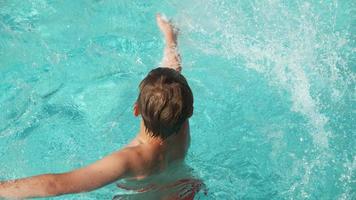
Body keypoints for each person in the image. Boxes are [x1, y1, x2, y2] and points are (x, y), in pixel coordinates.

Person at [0, 14, 204, 199]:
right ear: (190, 112)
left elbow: (57, 184)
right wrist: (171, 38)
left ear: (136, 110)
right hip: (183, 190)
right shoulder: (181, 121)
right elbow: (174, 73)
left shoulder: (132, 159)